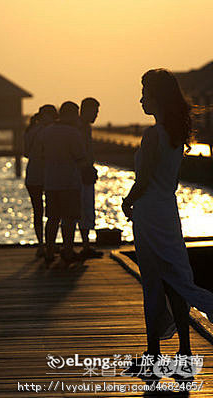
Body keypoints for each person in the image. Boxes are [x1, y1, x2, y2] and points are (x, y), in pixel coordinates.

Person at [122, 69, 213, 383]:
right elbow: (168, 181)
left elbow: (144, 179)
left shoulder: (153, 135)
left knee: (153, 282)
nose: (141, 99)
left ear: (156, 97)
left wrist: (127, 201)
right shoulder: (175, 134)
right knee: (176, 278)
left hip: (148, 212)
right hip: (168, 211)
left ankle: (153, 355)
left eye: (145, 92)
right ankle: (185, 353)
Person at [42, 101, 87, 263]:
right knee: (69, 218)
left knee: (52, 218)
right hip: (69, 181)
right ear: (73, 114)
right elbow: (80, 157)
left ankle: (49, 251)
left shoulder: (46, 132)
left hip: (50, 181)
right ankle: (67, 250)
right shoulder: (73, 133)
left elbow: (41, 154)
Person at [23, 105, 58, 257]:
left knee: (37, 211)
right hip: (48, 175)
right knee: (53, 212)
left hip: (32, 175)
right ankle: (51, 244)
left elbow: (25, 153)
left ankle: (41, 244)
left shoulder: (30, 130)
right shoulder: (49, 131)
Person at [77, 97, 103, 259]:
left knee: (85, 209)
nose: (96, 115)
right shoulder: (81, 128)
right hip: (81, 173)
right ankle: (84, 245)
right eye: (95, 112)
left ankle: (85, 245)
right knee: (83, 208)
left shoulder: (85, 127)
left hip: (85, 171)